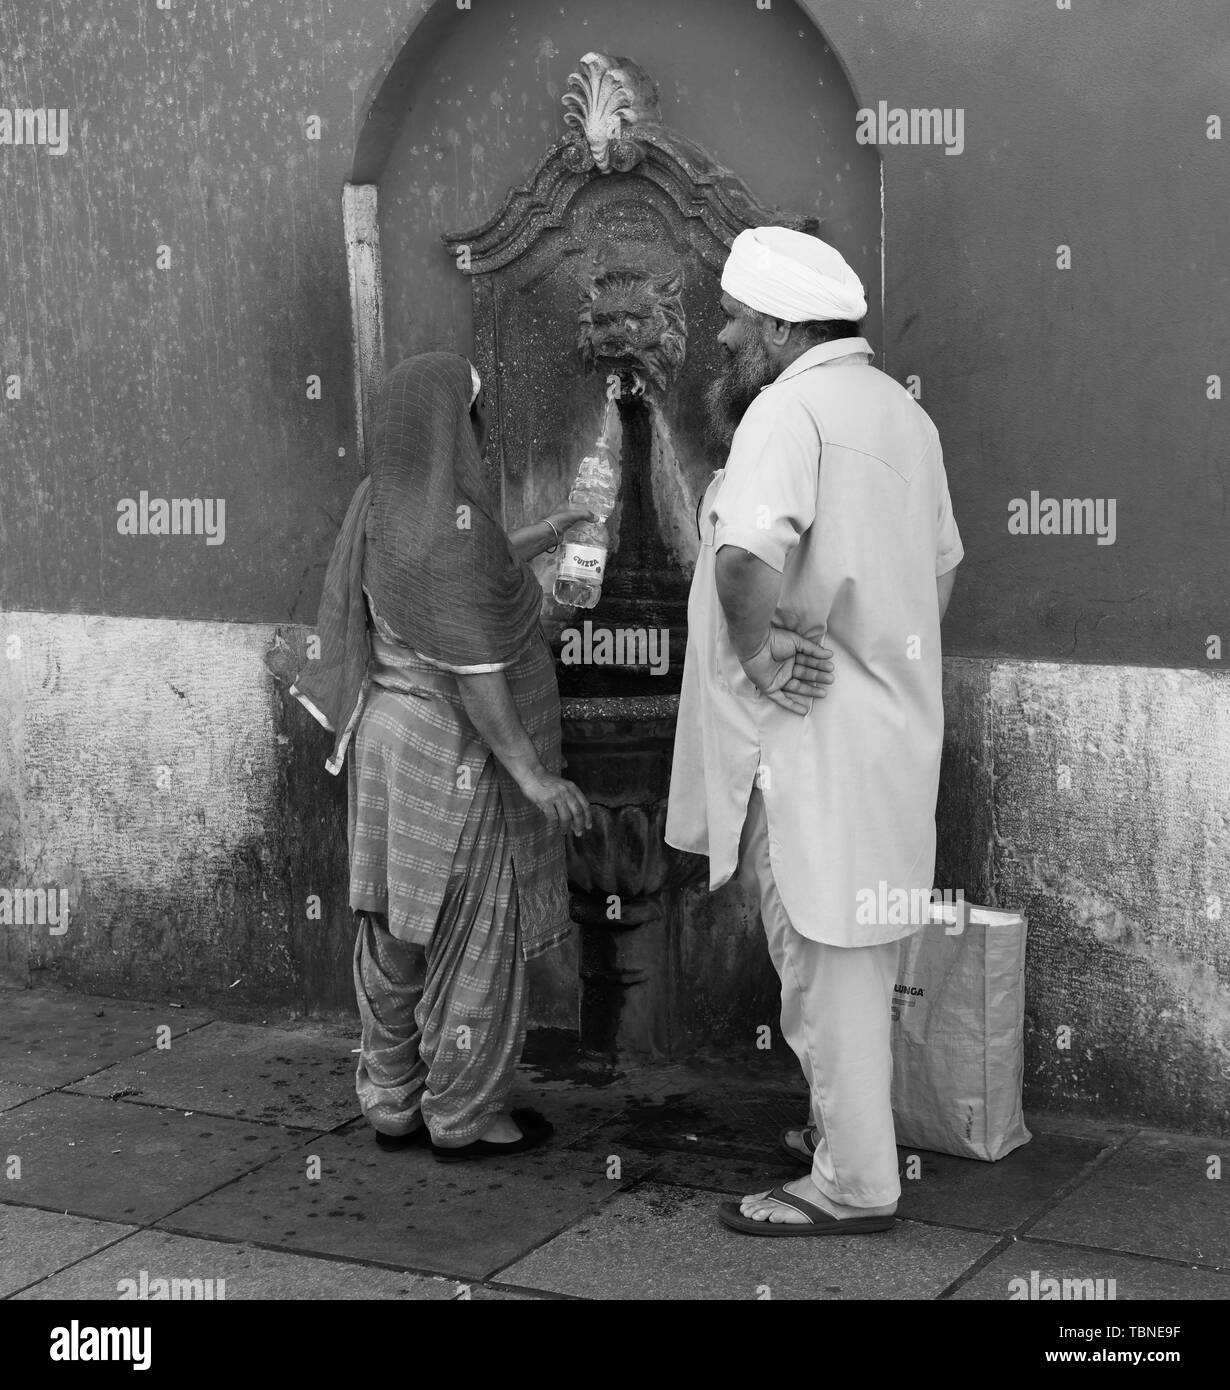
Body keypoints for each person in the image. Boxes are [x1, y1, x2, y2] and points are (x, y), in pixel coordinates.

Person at [665, 226, 963, 1234]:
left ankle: (854, 1185)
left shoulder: (788, 412)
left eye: (739, 320)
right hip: (887, 737)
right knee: (856, 955)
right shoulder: (900, 415)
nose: (724, 335)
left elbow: (747, 556)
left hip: (810, 746)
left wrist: (758, 653)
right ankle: (849, 1139)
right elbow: (942, 570)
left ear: (785, 327)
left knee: (821, 961)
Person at [288, 351, 592, 1160]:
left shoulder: (380, 503)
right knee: (473, 933)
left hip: (385, 747)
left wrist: (548, 530)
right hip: (452, 756)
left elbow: (468, 563)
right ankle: (465, 1115)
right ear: (453, 425)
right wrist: (531, 774)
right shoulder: (447, 529)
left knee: (391, 930)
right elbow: (475, 665)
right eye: (470, 416)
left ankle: (391, 1098)